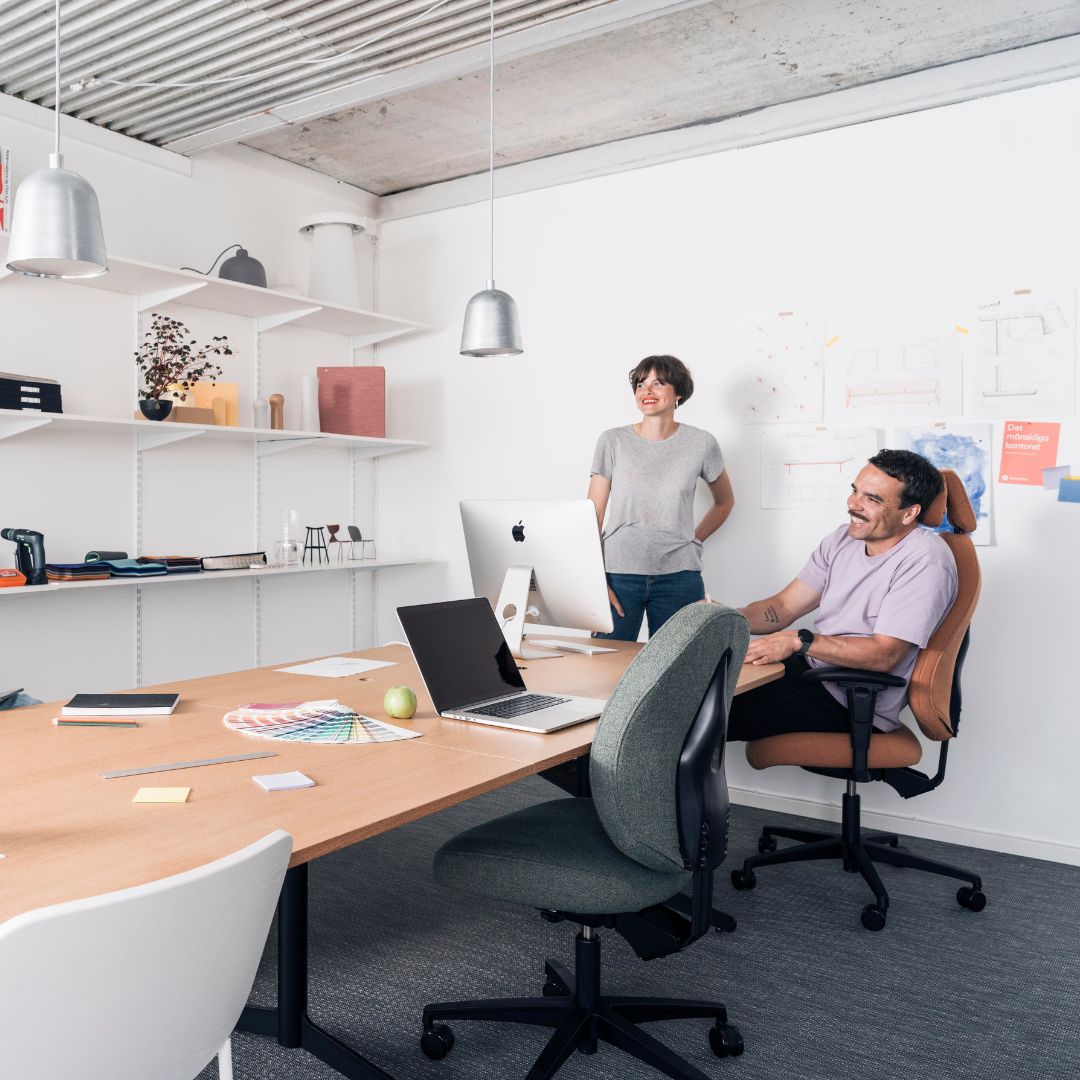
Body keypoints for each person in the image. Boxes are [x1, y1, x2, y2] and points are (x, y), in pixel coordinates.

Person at [726, 449, 957, 742]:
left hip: (850, 698)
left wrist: (799, 640)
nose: (853, 505)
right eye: (855, 491)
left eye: (872, 499)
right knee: (693, 687)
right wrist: (724, 616)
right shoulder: (843, 539)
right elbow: (783, 607)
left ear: (909, 512)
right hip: (812, 673)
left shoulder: (926, 560)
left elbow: (884, 655)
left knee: (691, 713)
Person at [588, 354, 734, 640]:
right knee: (606, 671)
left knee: (676, 672)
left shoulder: (701, 443)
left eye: (658, 383)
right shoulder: (612, 441)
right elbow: (593, 514)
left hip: (679, 576)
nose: (647, 391)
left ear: (678, 392)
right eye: (641, 384)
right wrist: (592, 578)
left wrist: (694, 539)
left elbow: (724, 501)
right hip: (618, 574)